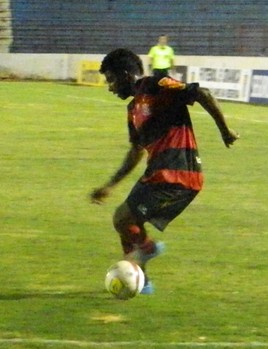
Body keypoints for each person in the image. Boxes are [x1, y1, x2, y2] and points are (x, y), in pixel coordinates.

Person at [91, 48, 239, 295]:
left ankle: (147, 251)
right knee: (126, 222)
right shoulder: (132, 110)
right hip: (157, 173)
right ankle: (142, 281)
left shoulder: (157, 84)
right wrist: (110, 185)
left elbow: (201, 93)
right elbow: (135, 152)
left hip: (178, 172)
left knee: (124, 218)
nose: (110, 87)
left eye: (111, 80)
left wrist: (224, 130)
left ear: (126, 74)